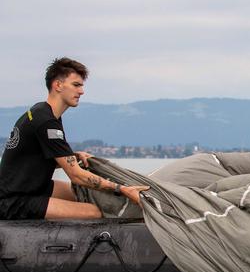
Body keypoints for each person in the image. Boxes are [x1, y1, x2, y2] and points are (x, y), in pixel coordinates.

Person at [0, 58, 149, 220]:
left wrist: (74, 157)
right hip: (13, 201)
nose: (81, 91)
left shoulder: (42, 112)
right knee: (93, 212)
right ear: (58, 85)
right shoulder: (47, 121)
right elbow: (75, 175)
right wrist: (122, 189)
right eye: (76, 85)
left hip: (31, 187)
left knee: (78, 192)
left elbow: (35, 159)